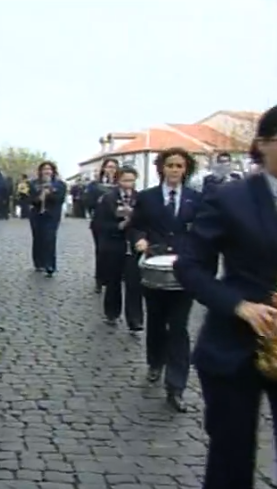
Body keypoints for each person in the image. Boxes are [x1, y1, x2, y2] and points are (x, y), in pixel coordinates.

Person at [173, 105, 277, 488]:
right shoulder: (230, 198)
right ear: (262, 144)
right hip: (234, 349)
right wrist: (240, 306)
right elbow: (190, 267)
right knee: (230, 465)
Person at [127, 147, 201, 413]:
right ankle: (155, 362)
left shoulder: (196, 199)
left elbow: (204, 231)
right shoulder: (147, 198)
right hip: (154, 268)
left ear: (185, 169)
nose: (174, 170)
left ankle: (176, 386)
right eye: (170, 165)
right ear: (162, 168)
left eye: (179, 166)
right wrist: (139, 239)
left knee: (179, 327)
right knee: (156, 321)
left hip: (184, 270)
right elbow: (134, 225)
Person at [94, 166, 143, 332]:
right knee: (114, 280)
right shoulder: (107, 198)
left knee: (134, 283)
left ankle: (135, 319)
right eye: (125, 180)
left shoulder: (140, 198)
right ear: (118, 180)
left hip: (134, 244)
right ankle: (112, 312)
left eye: (131, 180)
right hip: (114, 243)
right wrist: (118, 226)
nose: (128, 184)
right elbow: (98, 224)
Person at [86, 158, 119, 293]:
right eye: (109, 167)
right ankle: (99, 279)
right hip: (100, 222)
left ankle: (114, 277)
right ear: (104, 169)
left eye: (114, 167)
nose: (111, 170)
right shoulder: (95, 185)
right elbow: (88, 202)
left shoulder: (121, 184)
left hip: (117, 222)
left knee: (116, 251)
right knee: (101, 251)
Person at [28, 161, 66, 277]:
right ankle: (39, 262)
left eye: (49, 169)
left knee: (49, 238)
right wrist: (40, 196)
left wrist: (50, 193)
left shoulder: (60, 184)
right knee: (38, 237)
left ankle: (50, 265)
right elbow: (31, 200)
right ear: (40, 171)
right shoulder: (33, 184)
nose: (47, 171)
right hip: (37, 215)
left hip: (52, 215)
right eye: (44, 169)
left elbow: (60, 199)